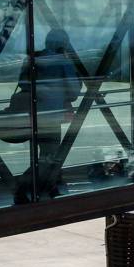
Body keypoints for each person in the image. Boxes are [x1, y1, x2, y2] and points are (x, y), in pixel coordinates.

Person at [15, 29, 82, 202]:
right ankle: (24, 185)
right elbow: (74, 91)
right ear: (64, 44)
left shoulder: (32, 59)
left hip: (31, 115)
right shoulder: (63, 62)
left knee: (42, 153)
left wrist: (39, 90)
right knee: (49, 154)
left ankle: (50, 185)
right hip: (51, 117)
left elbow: (22, 83)